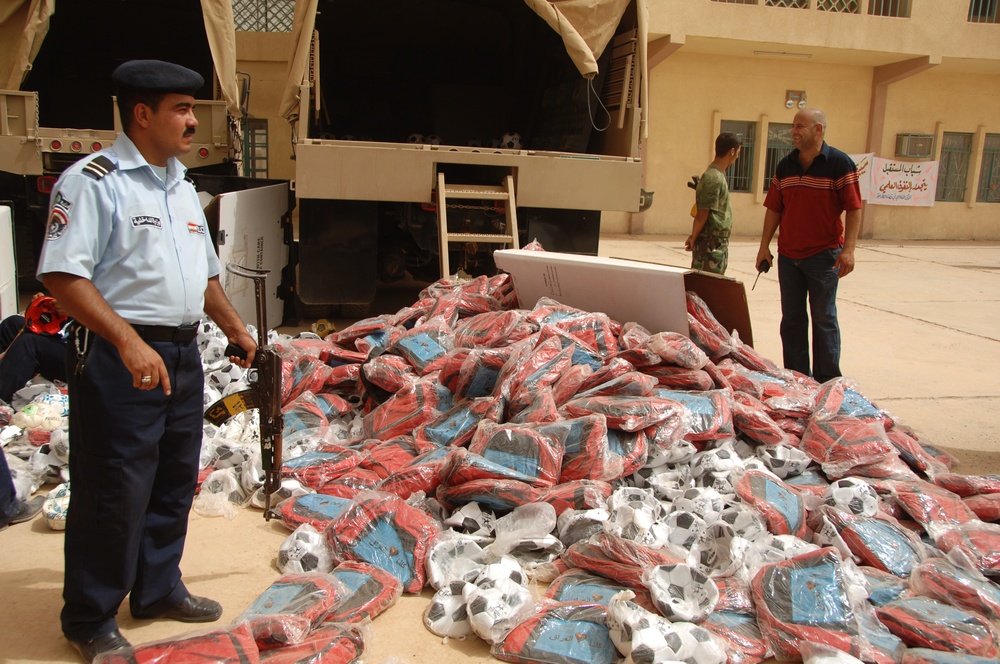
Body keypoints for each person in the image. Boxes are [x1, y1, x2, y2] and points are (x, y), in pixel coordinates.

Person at [36, 60, 257, 663]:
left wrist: (235, 326)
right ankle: (90, 615)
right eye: (181, 109)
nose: (193, 120)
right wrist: (127, 341)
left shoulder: (180, 183)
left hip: (181, 353)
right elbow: (62, 276)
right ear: (142, 114)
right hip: (118, 353)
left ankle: (156, 588)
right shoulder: (94, 181)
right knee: (115, 487)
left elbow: (203, 273)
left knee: (171, 476)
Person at [755, 108, 862, 384]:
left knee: (823, 318)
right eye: (793, 126)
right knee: (791, 319)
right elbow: (774, 209)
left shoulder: (839, 163)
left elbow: (854, 208)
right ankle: (797, 377)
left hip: (824, 256)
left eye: (800, 126)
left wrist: (848, 250)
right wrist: (764, 246)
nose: (794, 131)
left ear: (819, 129)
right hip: (789, 257)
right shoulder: (785, 165)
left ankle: (827, 381)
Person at [684, 132, 742, 275]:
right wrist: (693, 237)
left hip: (716, 244)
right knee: (707, 287)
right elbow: (702, 214)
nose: (738, 156)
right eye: (738, 152)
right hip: (710, 245)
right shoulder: (714, 178)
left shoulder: (717, 175)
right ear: (732, 151)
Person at [0, 293, 70, 404]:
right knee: (11, 324)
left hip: (85, 357)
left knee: (28, 343)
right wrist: (43, 305)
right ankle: (10, 377)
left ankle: (3, 402)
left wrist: (76, 311)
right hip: (66, 340)